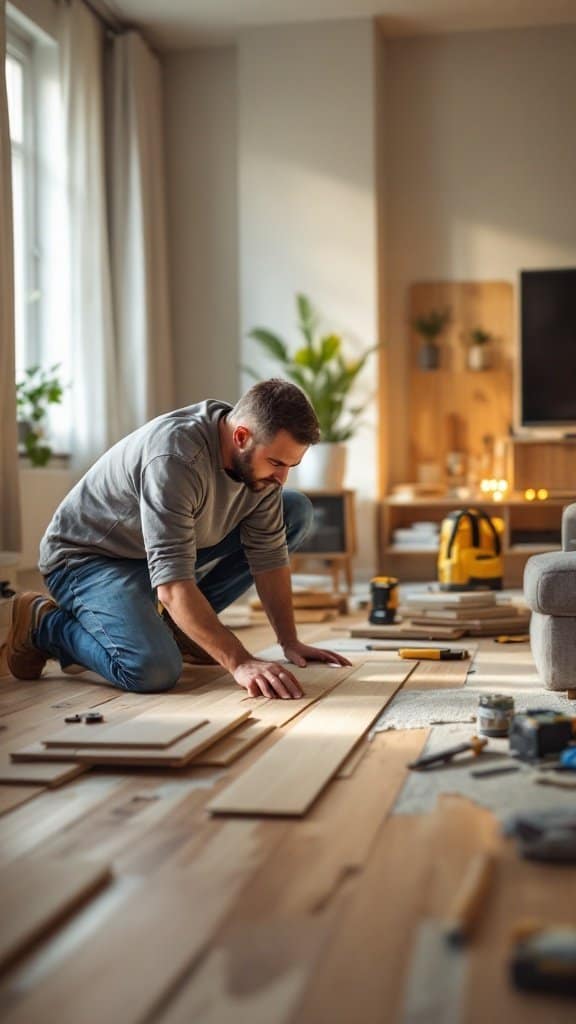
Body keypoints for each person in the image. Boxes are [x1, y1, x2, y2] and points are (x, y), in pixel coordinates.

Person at [2, 379, 350, 698]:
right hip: (89, 559)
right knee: (152, 670)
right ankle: (44, 625)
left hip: (157, 549)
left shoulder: (259, 470)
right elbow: (172, 587)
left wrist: (289, 640)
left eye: (291, 465)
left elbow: (269, 557)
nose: (281, 477)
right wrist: (240, 661)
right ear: (241, 437)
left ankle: (180, 628)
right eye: (276, 462)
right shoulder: (176, 457)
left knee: (295, 510)